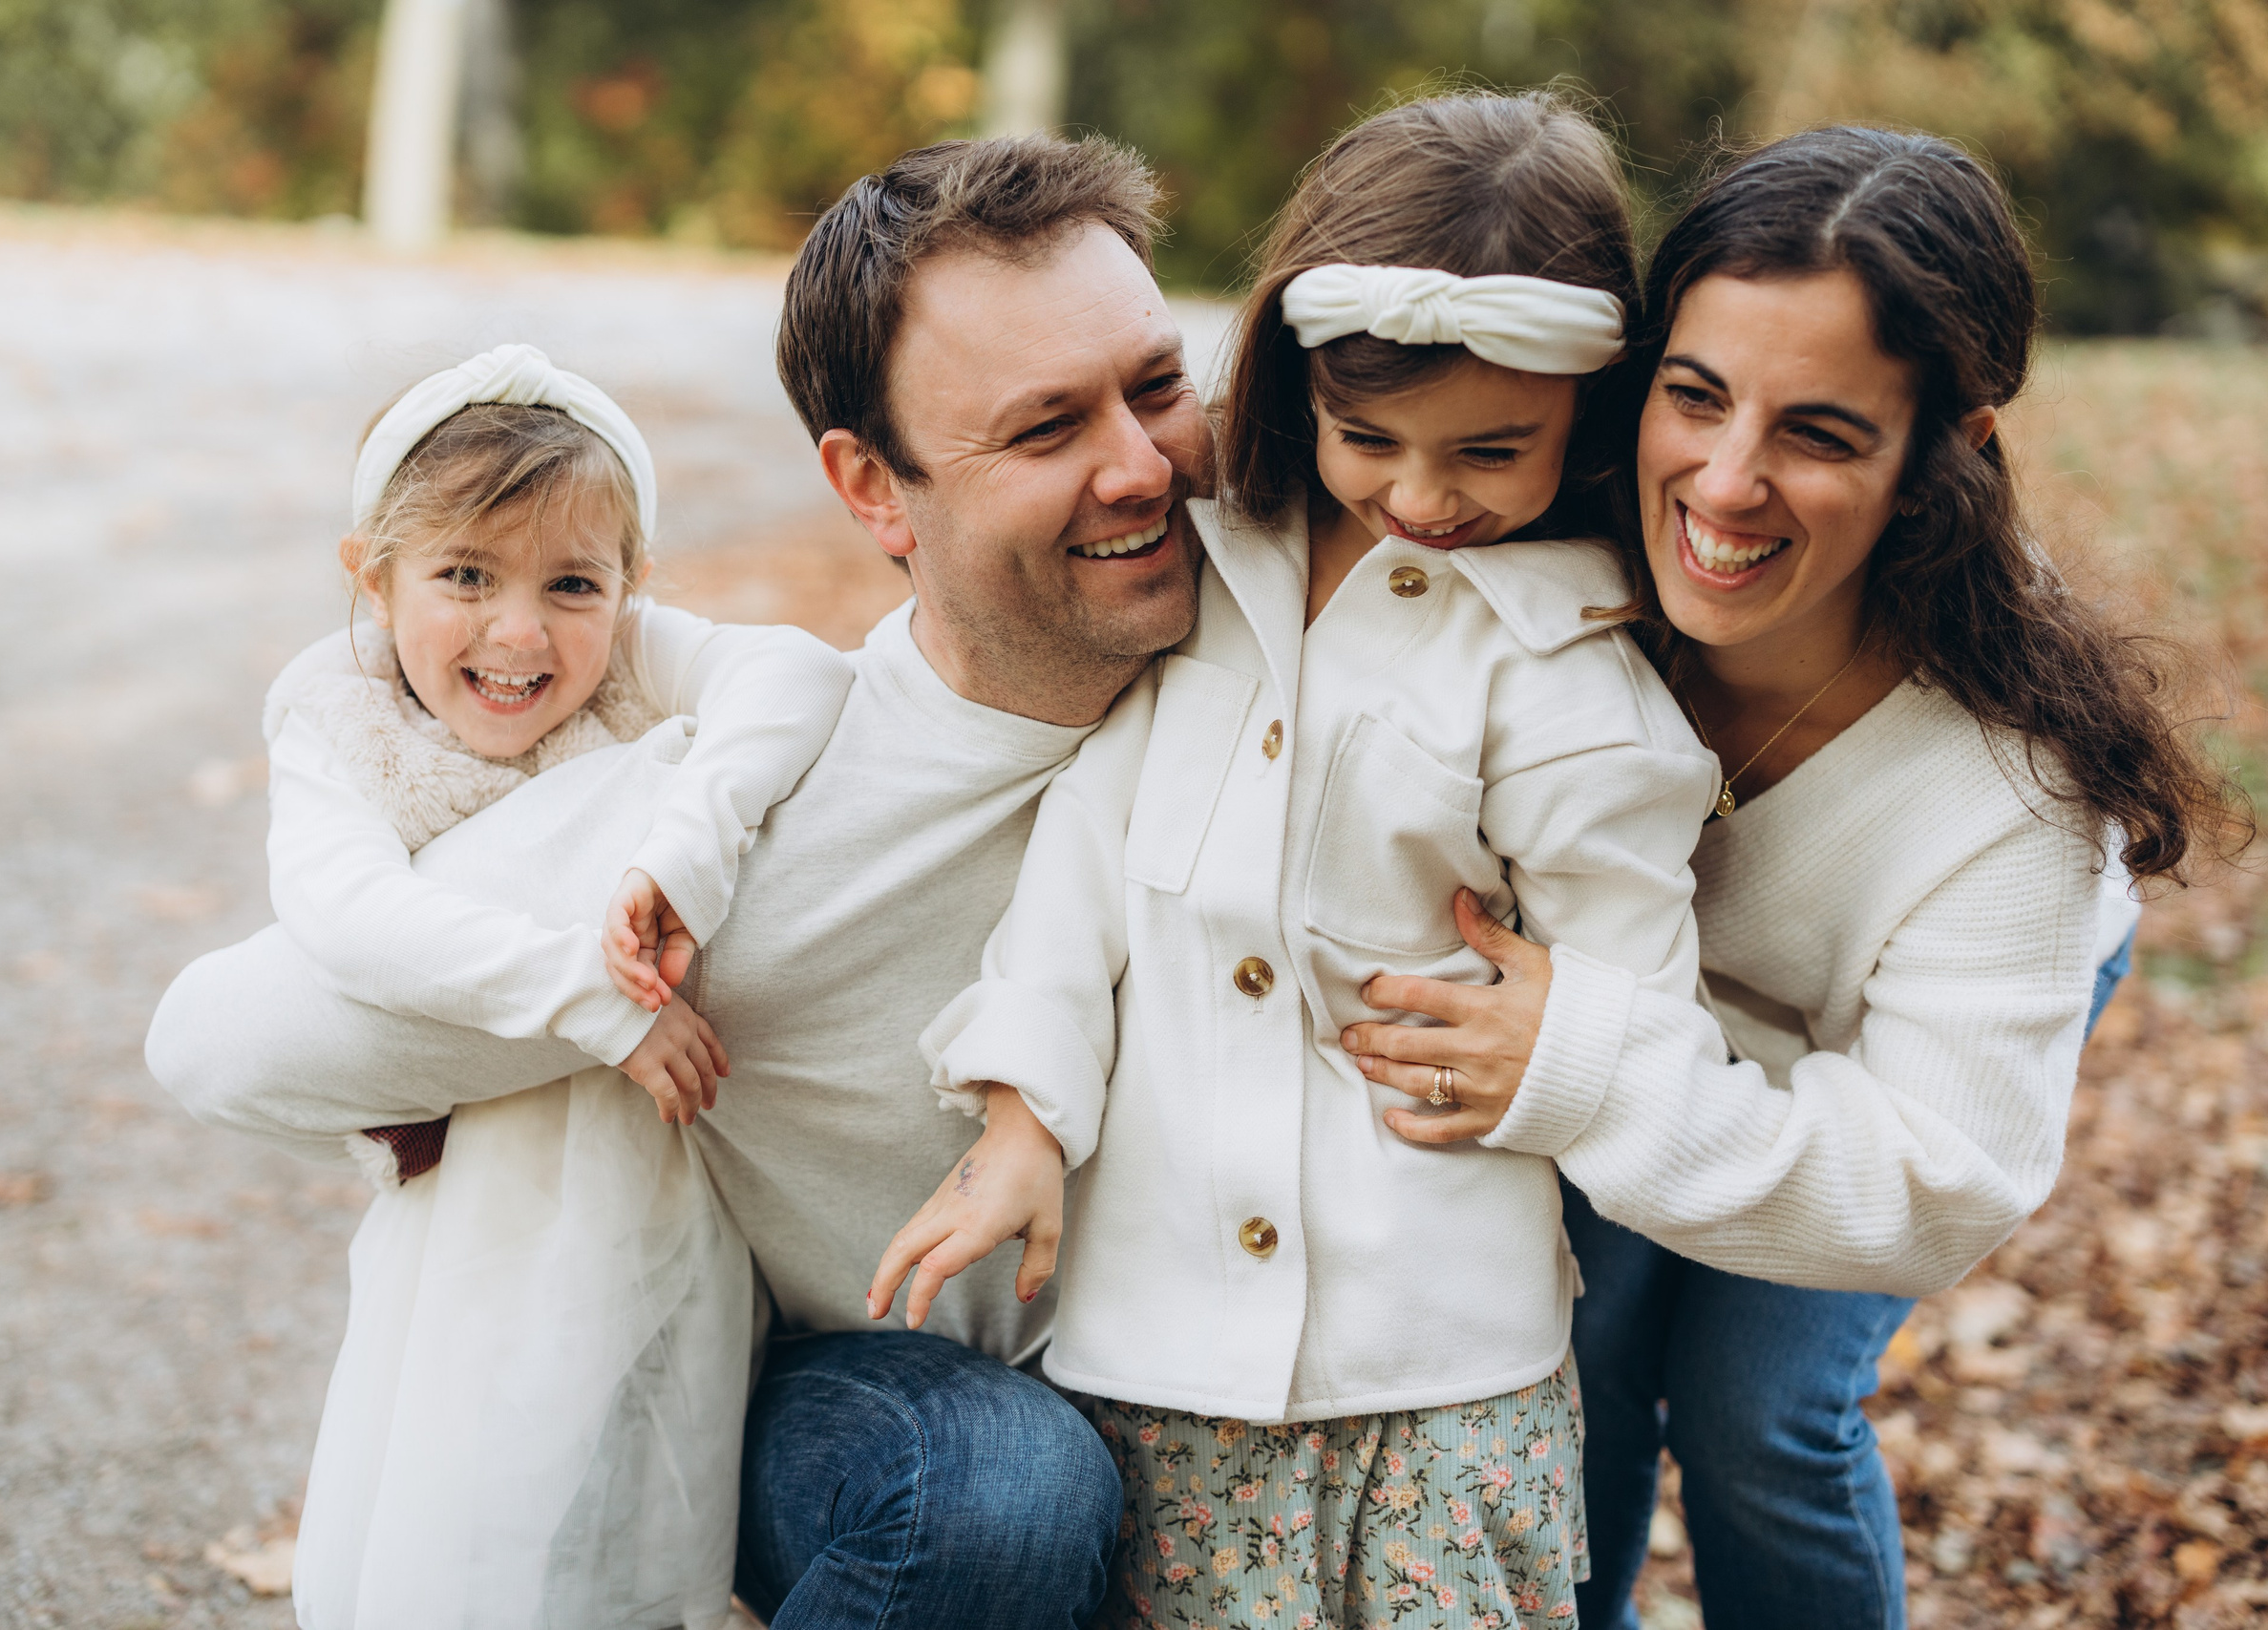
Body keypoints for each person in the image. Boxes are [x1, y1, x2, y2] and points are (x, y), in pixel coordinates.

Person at [148, 134, 1210, 1630]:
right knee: (999, 1486)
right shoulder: (745, 820)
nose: (1145, 466)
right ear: (875, 490)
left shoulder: (1298, 665)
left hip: (1237, 1383)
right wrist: (589, 976)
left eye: (1159, 386)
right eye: (1046, 430)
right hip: (877, 1406)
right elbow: (217, 1038)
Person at [1336, 128, 2245, 1629]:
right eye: (1695, 398)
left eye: (1820, 433)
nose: (1728, 483)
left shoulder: (2012, 796)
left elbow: (1929, 1184)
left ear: (1947, 451)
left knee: (1759, 1416)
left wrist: (1587, 1074)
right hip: (1651, 1021)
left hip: (1887, 1063)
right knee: (1587, 1364)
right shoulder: (1546, 552)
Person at [875, 95, 1716, 1629]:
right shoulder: (1213, 578)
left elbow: (1641, 994)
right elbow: (1082, 869)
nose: (1421, 496)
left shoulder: (1573, 687)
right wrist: (1022, 1119)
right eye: (1367, 438)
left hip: (1442, 1375)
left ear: (1587, 421)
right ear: (1297, 385)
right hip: (1161, 1347)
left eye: (1491, 452)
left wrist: (1561, 1049)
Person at [257, 344, 853, 1628]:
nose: (520, 632)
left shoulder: (635, 658)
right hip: (483, 1185)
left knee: (648, 1488)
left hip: (671, 1173)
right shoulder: (341, 720)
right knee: (474, 1483)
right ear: (372, 575)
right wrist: (590, 995)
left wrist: (684, 850)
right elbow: (343, 914)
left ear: (632, 585)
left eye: (572, 583)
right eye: (464, 576)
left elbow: (802, 676)